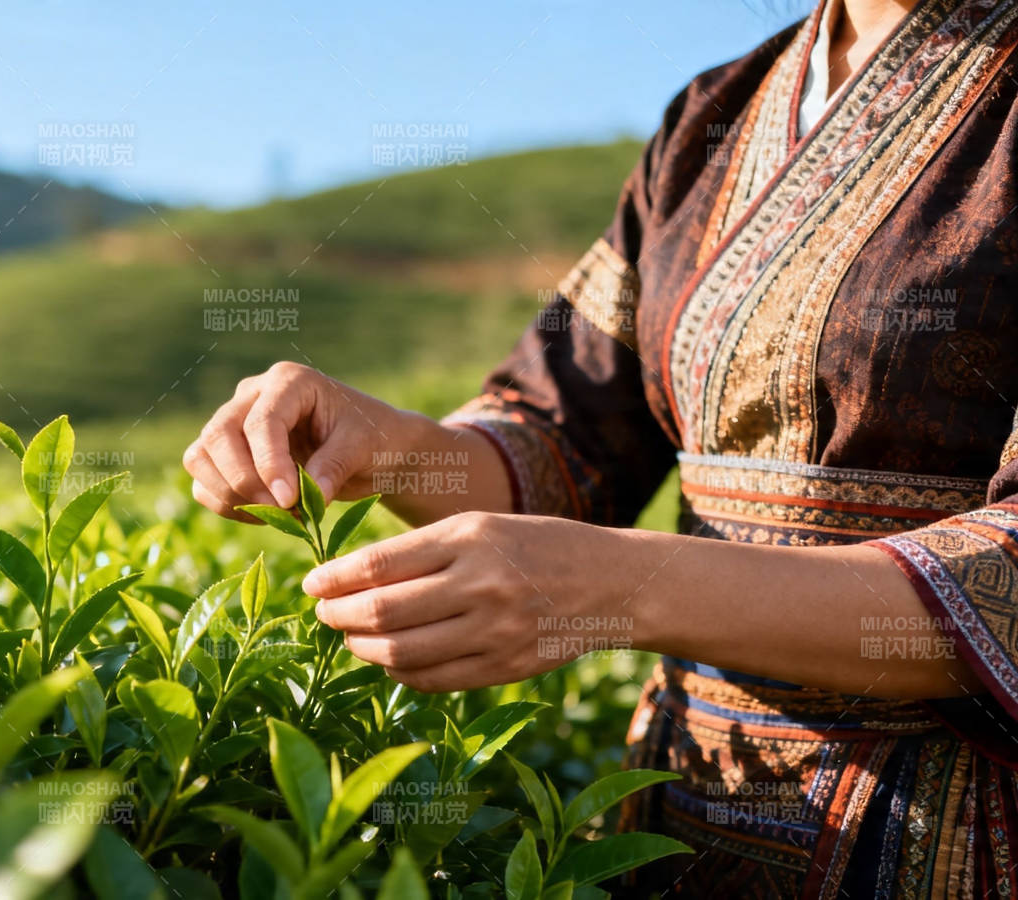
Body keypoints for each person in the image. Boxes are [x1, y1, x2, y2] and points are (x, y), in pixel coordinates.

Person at [184, 0, 1018, 894]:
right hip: (682, 809)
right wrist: (382, 444)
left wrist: (621, 588)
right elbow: (568, 439)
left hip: (938, 835)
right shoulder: (712, 116)